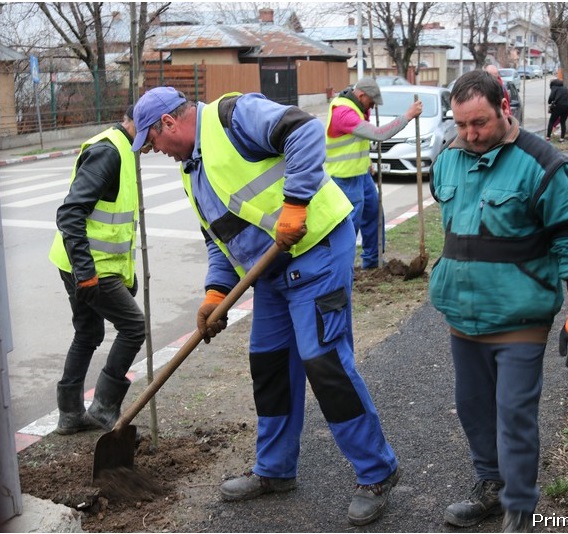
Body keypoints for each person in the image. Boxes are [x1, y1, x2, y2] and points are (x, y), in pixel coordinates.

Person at [132, 87, 400, 526]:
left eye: (153, 141)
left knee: (324, 361)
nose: (155, 150)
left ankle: (377, 471)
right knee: (270, 364)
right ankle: (275, 471)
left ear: (168, 123)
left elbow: (305, 130)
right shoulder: (190, 168)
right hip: (272, 271)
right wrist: (216, 292)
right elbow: (221, 239)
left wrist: (295, 204)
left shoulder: (232, 116)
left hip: (315, 248)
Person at [428, 70, 568, 532]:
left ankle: (520, 507)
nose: (470, 135)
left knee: (514, 413)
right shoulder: (448, 159)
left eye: (479, 123)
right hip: (463, 315)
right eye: (461, 125)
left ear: (505, 107)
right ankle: (491, 486)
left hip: (520, 315)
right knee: (473, 408)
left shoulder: (542, 164)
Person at [49, 105, 146, 434]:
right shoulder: (109, 152)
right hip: (88, 265)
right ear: (134, 121)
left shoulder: (124, 148)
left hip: (82, 262)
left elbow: (116, 226)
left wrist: (126, 275)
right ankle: (104, 406)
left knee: (88, 333)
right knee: (134, 327)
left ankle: (70, 414)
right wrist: (86, 272)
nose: (153, 143)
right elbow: (71, 213)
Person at [325, 77, 422, 269]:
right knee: (349, 226)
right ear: (361, 95)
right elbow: (378, 134)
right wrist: (407, 116)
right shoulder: (343, 112)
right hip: (345, 179)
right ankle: (338, 267)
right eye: (371, 102)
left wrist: (367, 161)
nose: (372, 106)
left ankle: (372, 261)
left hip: (361, 174)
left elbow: (355, 141)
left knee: (374, 214)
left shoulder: (356, 107)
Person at [546, 78, 568, 142]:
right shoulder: (565, 88)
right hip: (567, 106)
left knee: (551, 121)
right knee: (563, 122)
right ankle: (562, 138)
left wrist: (549, 102)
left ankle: (548, 137)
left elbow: (551, 97)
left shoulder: (554, 87)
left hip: (558, 106)